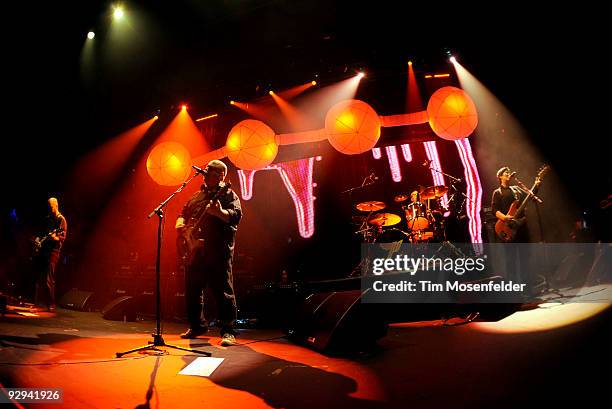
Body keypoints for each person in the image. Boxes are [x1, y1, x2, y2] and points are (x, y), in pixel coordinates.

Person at [175, 160, 242, 346]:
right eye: (206, 172)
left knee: (223, 291)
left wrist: (219, 212)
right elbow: (183, 212)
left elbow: (235, 216)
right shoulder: (197, 195)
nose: (206, 175)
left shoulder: (228, 194)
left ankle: (228, 330)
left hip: (218, 251)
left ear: (220, 176)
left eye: (211, 173)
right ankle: (197, 326)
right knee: (193, 289)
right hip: (195, 251)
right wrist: (180, 224)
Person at [34, 197, 67, 312]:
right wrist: (37, 240)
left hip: (54, 252)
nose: (49, 210)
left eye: (51, 207)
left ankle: (51, 304)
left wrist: (55, 237)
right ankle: (38, 302)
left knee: (49, 278)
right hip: (44, 250)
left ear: (56, 206)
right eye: (48, 208)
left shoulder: (61, 220)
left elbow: (62, 237)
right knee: (40, 276)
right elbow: (40, 233)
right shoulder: (48, 219)